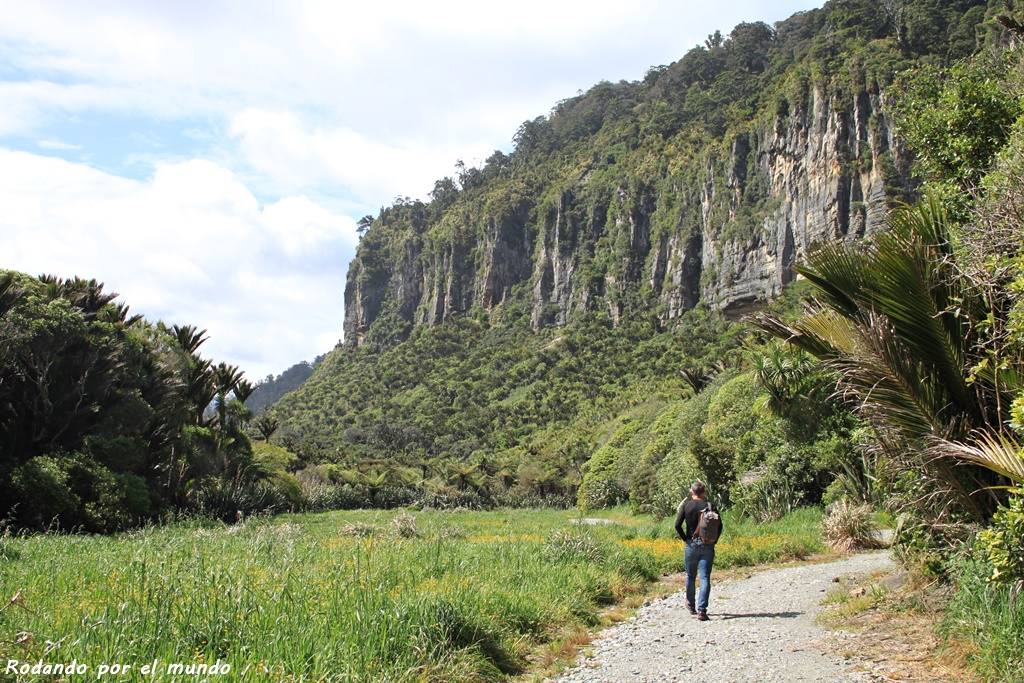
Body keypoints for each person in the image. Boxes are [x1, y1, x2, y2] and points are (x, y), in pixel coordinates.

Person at [674, 481, 721, 621]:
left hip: (691, 544)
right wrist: (714, 540)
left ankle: (690, 604)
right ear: (704, 492)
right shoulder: (710, 506)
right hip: (707, 544)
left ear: (691, 492)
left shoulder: (686, 506)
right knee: (705, 577)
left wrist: (685, 539)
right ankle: (702, 610)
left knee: (690, 576)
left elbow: (677, 525)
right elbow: (720, 526)